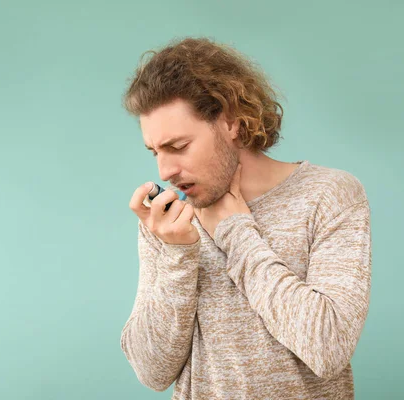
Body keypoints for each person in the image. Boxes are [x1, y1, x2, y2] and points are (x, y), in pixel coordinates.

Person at [120, 36, 372, 400]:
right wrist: (176, 255)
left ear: (232, 122)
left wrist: (237, 233)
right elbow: (151, 371)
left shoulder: (328, 195)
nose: (165, 170)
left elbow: (327, 347)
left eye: (178, 147)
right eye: (155, 151)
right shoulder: (169, 223)